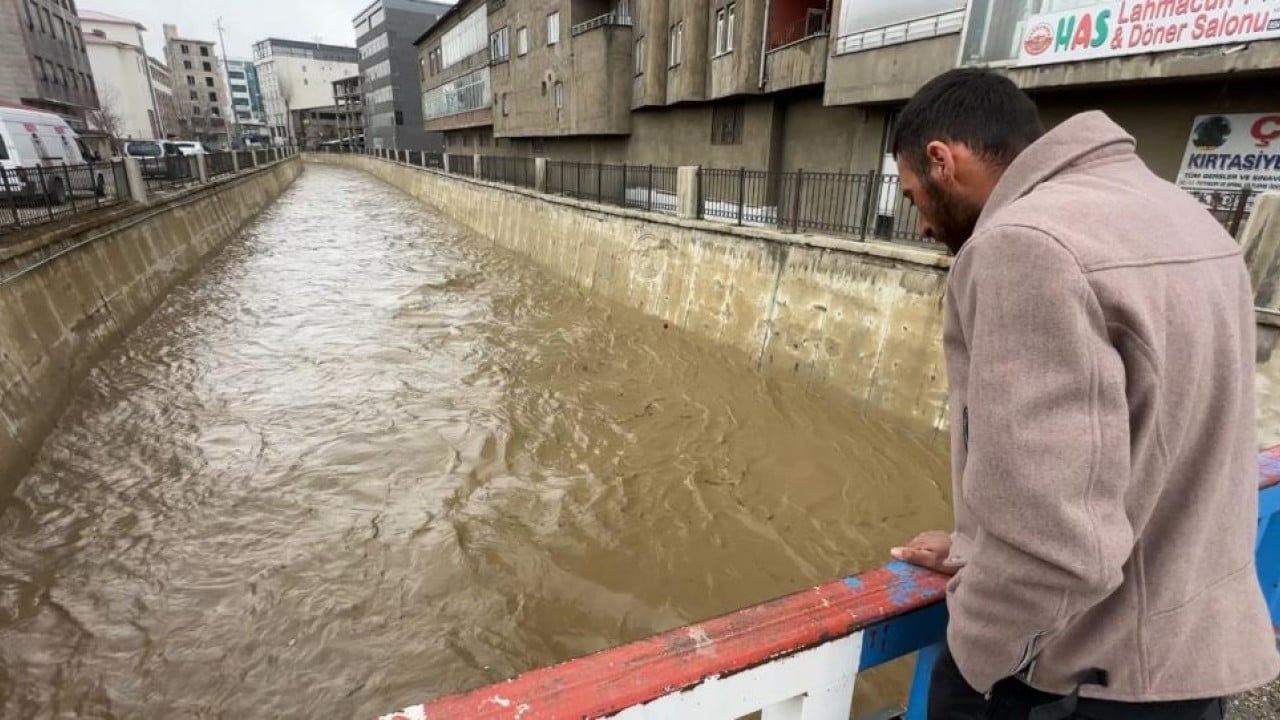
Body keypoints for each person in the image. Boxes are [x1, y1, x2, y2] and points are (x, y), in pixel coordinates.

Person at [888, 69, 1279, 719]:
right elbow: (1153, 448)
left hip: (1088, 681)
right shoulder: (1186, 219)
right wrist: (976, 549)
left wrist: (977, 662)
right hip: (1192, 664)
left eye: (911, 197)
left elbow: (1055, 543)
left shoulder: (1026, 246)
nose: (923, 226)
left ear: (941, 161)